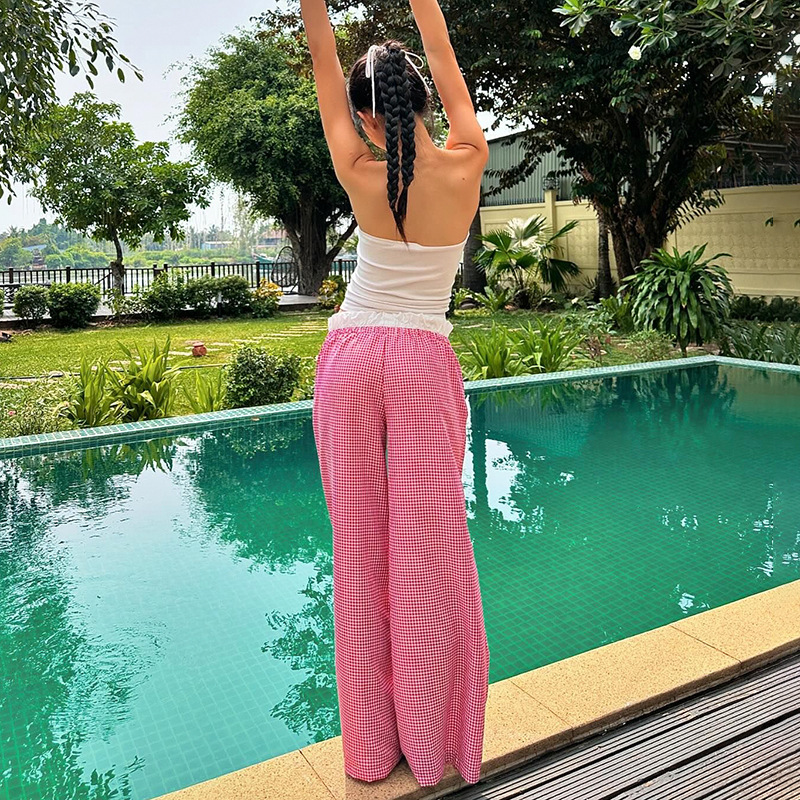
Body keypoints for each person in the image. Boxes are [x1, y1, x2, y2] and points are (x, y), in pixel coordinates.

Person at [300, 0, 491, 788]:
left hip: (350, 360)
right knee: (427, 548)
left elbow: (321, 56)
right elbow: (442, 52)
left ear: (370, 119)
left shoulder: (359, 170)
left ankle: (372, 753)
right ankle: (428, 734)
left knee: (360, 550)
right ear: (420, 99)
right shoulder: (469, 162)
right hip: (419, 364)